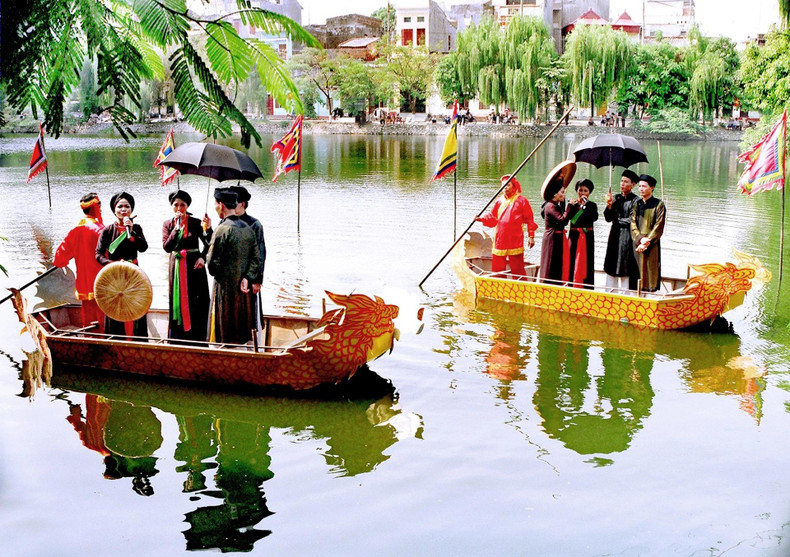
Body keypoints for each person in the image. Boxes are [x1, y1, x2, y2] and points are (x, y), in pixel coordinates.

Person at [205, 188, 262, 345]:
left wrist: (210, 258)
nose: (215, 208)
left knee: (224, 327)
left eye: (215, 204)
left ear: (221, 205)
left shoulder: (222, 229)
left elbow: (211, 266)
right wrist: (247, 277)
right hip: (243, 288)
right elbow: (256, 258)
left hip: (225, 288)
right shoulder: (248, 229)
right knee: (242, 325)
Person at [95, 191, 149, 336]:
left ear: (131, 210)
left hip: (133, 274)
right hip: (115, 275)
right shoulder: (107, 230)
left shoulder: (136, 228)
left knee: (136, 305)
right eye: (119, 207)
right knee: (115, 307)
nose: (123, 209)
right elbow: (98, 254)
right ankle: (117, 341)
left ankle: (138, 342)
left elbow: (143, 248)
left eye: (127, 206)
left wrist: (131, 231)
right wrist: (113, 264)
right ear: (114, 210)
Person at [162, 190, 213, 342]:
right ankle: (177, 338)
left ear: (187, 206)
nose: (179, 208)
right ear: (171, 206)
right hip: (177, 267)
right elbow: (166, 247)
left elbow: (209, 243)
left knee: (197, 301)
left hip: (194, 267)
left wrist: (203, 258)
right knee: (177, 300)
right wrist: (176, 229)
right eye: (175, 205)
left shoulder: (196, 222)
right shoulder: (168, 224)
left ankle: (198, 337)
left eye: (182, 205)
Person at [53, 193, 106, 332]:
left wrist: (66, 260)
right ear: (96, 207)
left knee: (88, 314)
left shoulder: (74, 231)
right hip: (101, 279)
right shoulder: (100, 230)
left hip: (83, 281)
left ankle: (89, 338)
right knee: (102, 313)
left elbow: (59, 258)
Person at [475, 175, 538, 276]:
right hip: (500, 238)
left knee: (518, 269)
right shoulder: (499, 201)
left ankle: (520, 288)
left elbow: (529, 220)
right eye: (503, 185)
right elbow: (492, 217)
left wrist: (531, 237)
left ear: (514, 186)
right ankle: (498, 287)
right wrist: (481, 218)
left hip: (515, 239)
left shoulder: (522, 201)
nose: (505, 187)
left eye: (508, 185)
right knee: (498, 269)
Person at [538, 161, 577, 283]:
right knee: (552, 264)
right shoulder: (550, 206)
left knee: (558, 264)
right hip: (552, 239)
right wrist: (570, 207)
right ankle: (550, 285)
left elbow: (563, 214)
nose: (563, 194)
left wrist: (568, 205)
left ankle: (557, 282)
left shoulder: (554, 204)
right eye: (561, 192)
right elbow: (562, 221)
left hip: (557, 238)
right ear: (555, 194)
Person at [603, 170, 640, 291]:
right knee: (611, 264)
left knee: (625, 266)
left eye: (626, 182)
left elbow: (632, 220)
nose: (622, 184)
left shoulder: (636, 201)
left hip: (627, 238)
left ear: (633, 184)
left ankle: (626, 295)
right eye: (621, 181)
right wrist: (609, 206)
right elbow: (608, 218)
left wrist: (617, 220)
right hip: (614, 236)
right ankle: (609, 294)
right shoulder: (615, 198)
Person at [630, 174, 666, 293]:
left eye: (644, 186)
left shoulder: (659, 204)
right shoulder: (637, 204)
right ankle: (636, 296)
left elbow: (658, 226)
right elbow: (633, 223)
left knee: (651, 271)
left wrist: (647, 241)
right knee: (637, 271)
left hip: (652, 244)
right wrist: (640, 239)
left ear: (652, 187)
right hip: (638, 243)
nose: (641, 189)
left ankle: (650, 295)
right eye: (639, 186)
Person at [568, 178, 598, 289]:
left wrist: (585, 206)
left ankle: (587, 286)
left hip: (587, 237)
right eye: (580, 190)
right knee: (572, 259)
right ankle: (571, 284)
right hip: (574, 237)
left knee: (587, 261)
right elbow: (570, 219)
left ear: (589, 193)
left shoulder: (592, 205)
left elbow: (594, 217)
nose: (583, 193)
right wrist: (571, 206)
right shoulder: (572, 204)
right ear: (577, 191)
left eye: (585, 191)